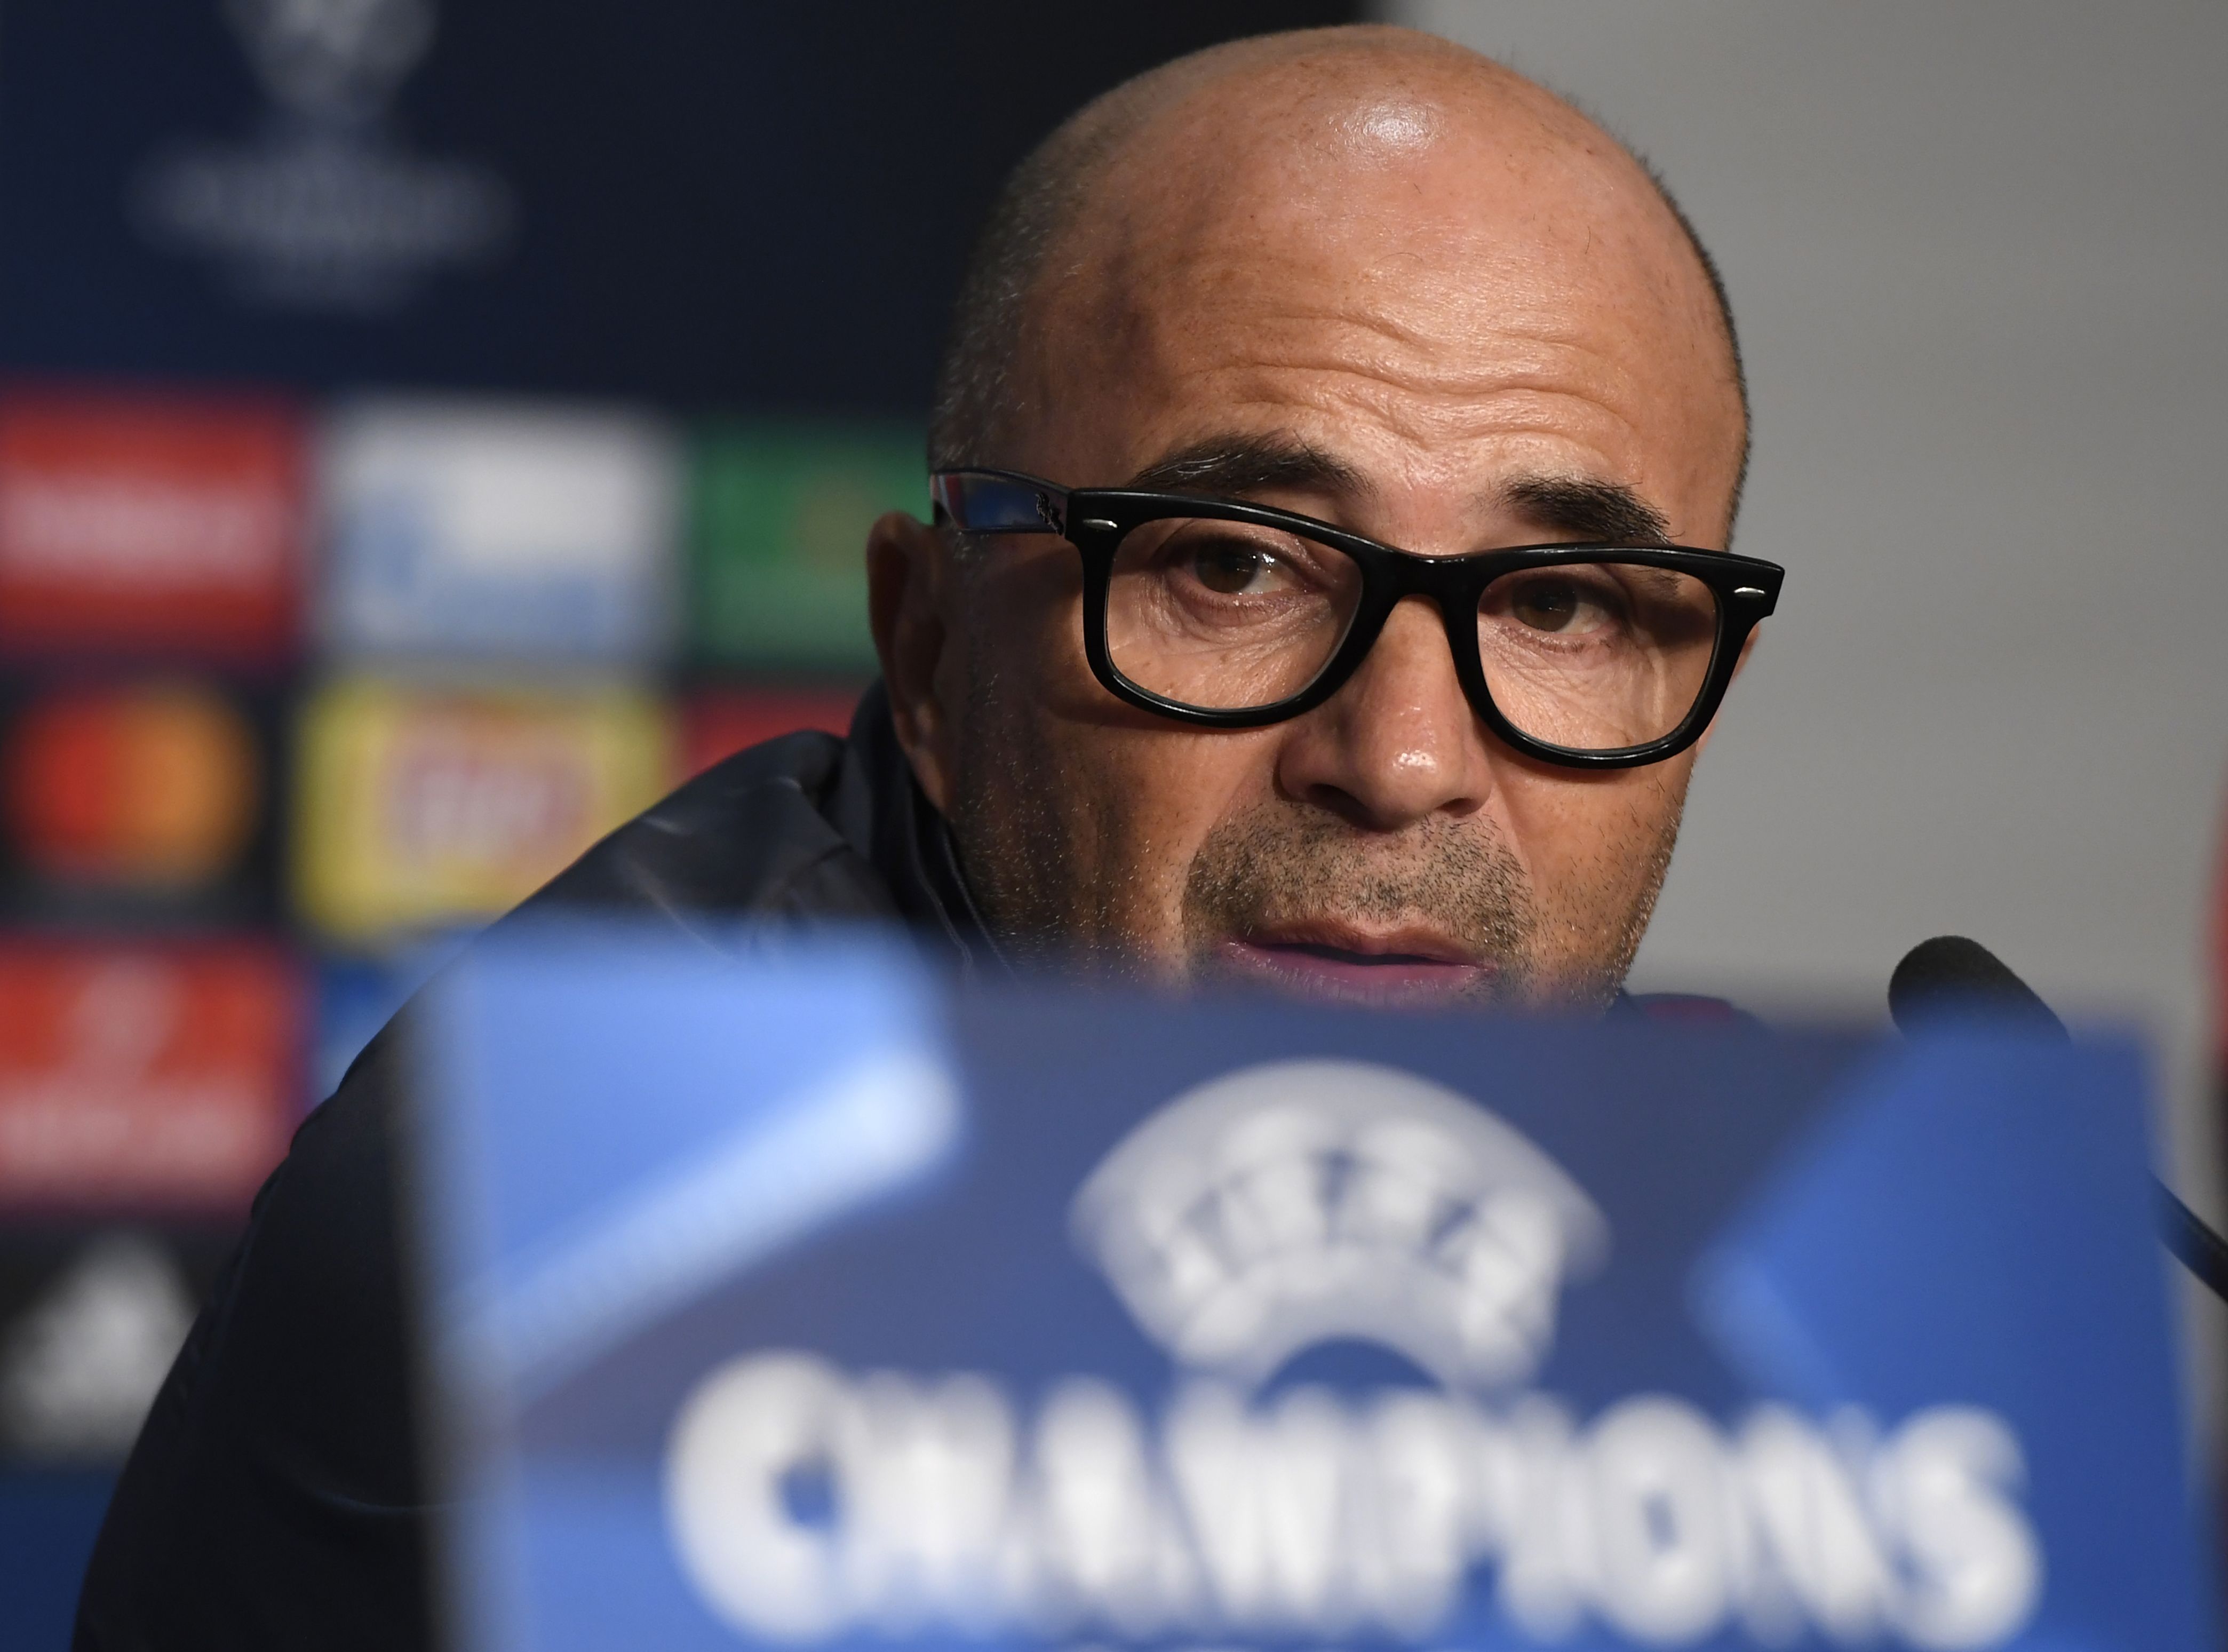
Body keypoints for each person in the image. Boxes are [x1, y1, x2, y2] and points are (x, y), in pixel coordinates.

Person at [74, 24, 1772, 1650]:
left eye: (1561, 601)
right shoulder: (601, 1219)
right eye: (1233, 567)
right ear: (934, 654)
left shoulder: (1759, 1209)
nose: (1402, 759)